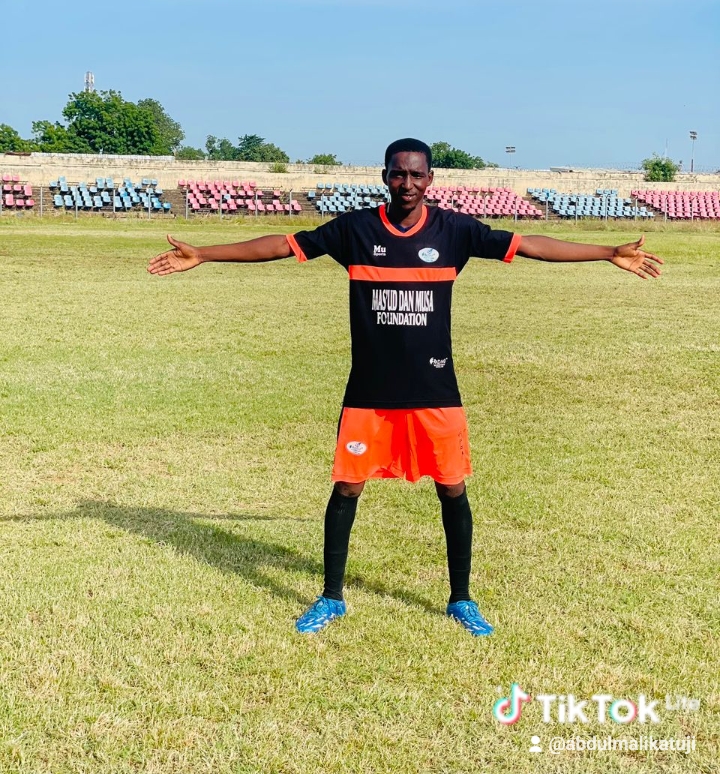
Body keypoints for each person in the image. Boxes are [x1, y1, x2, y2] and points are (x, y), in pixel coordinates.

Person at [148, 138, 663, 636]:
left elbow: (530, 245)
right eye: (399, 174)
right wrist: (205, 254)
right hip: (369, 392)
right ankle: (331, 596)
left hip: (436, 390)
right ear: (385, 177)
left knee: (452, 487)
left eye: (417, 174)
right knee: (347, 487)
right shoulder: (355, 230)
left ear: (430, 179)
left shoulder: (454, 230)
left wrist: (606, 251)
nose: (408, 183)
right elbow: (282, 245)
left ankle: (461, 598)